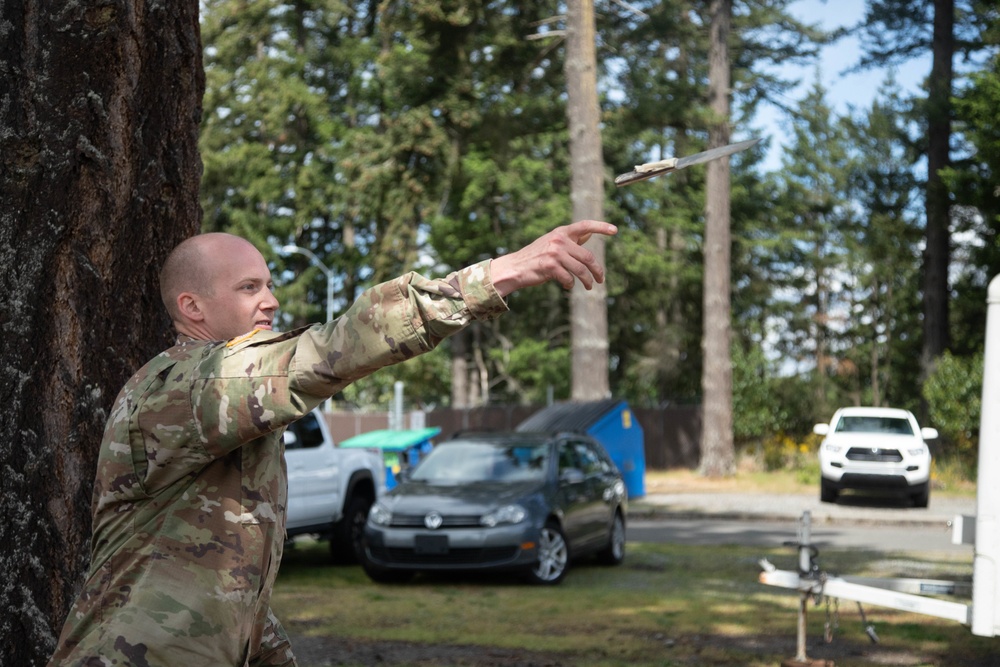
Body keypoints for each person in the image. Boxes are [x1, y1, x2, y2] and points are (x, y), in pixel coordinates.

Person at [48, 220, 617, 667]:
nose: (270, 300)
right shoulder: (187, 387)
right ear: (192, 308)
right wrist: (496, 276)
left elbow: (216, 575)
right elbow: (326, 353)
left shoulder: (223, 409)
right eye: (249, 288)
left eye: (269, 284)